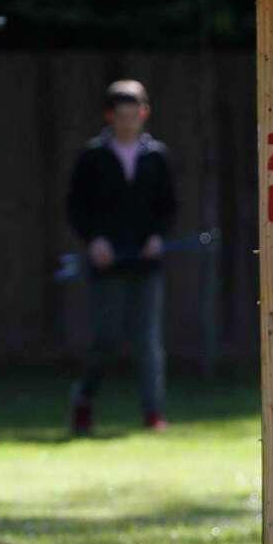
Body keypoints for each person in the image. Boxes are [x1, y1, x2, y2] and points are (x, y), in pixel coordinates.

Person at [67, 80, 176, 435]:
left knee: (147, 341)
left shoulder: (157, 156)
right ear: (109, 116)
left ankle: (153, 413)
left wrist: (158, 238)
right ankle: (83, 401)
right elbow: (76, 207)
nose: (128, 122)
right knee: (106, 339)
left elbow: (168, 207)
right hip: (106, 263)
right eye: (121, 116)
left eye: (134, 115)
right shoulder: (92, 156)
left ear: (144, 114)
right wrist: (94, 240)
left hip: (146, 263)